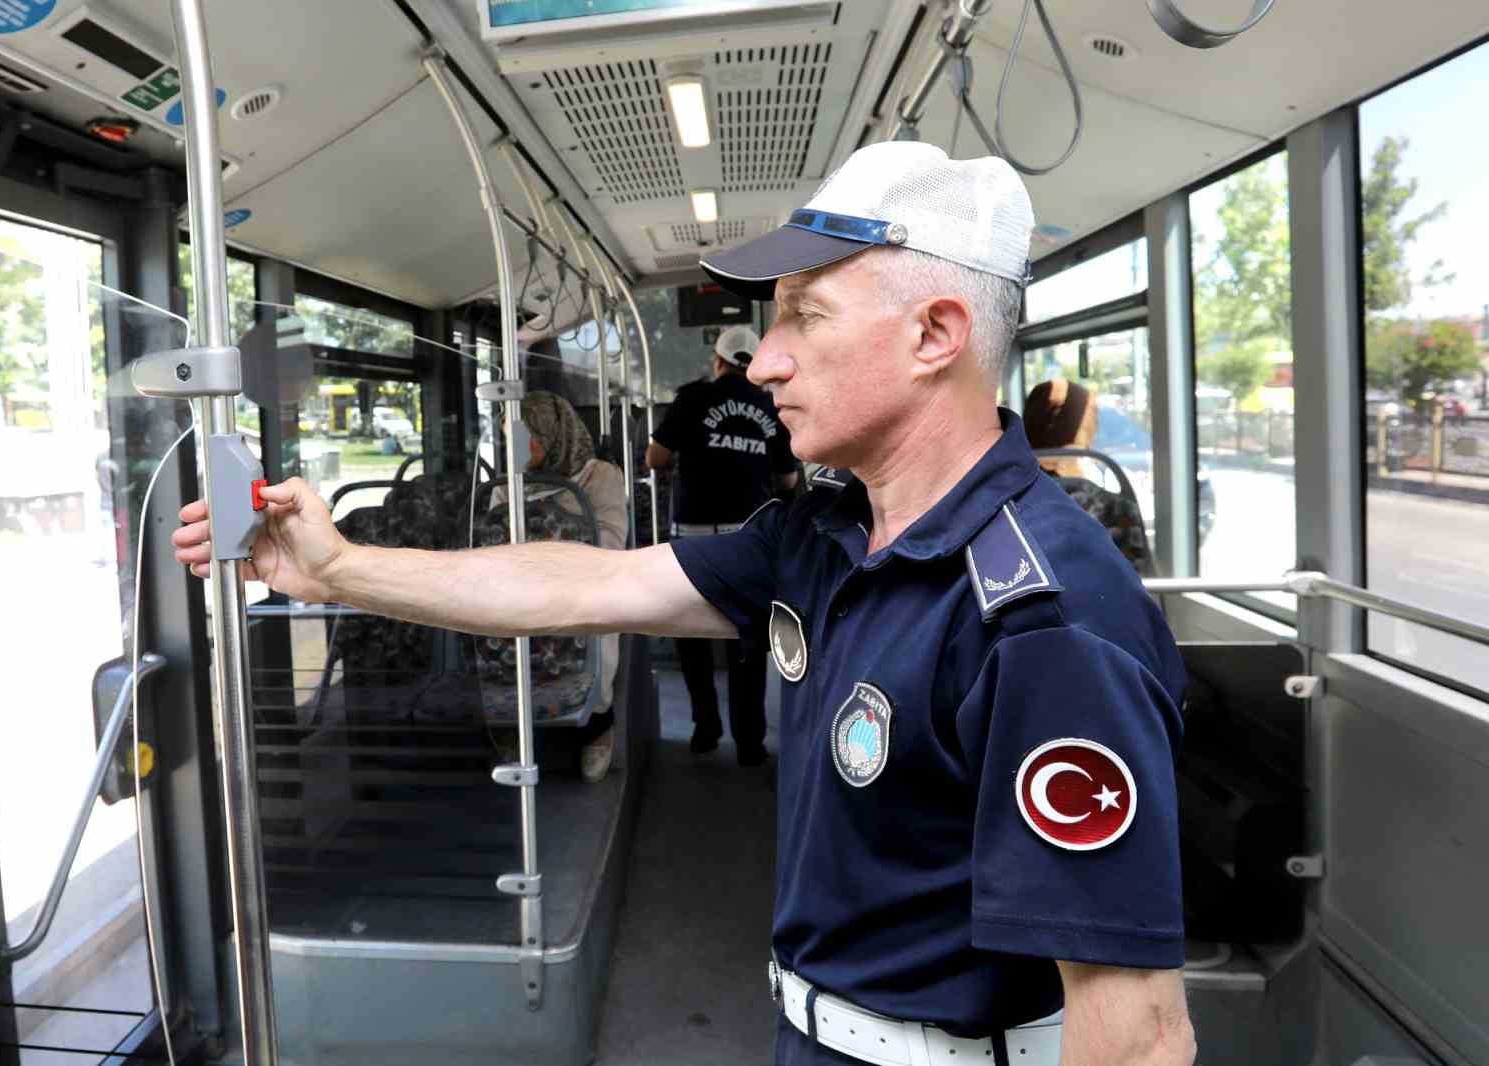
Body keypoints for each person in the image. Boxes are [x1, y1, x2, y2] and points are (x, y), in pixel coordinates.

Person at [175, 141, 1195, 1066]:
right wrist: (340, 568)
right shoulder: (828, 528)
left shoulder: (1044, 619)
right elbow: (590, 580)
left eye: (803, 312)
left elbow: (1137, 1033)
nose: (764, 359)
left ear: (935, 333)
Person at [645, 324, 800, 766]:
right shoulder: (770, 405)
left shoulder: (691, 398)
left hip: (692, 538)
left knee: (690, 637)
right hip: (748, 539)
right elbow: (788, 480)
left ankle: (704, 729)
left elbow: (656, 458)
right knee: (747, 643)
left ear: (717, 361)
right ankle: (749, 743)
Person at [496, 391, 627, 782]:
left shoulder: (601, 476)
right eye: (509, 439)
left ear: (553, 435)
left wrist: (545, 540)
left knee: (593, 630)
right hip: (522, 586)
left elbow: (610, 540)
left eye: (524, 438)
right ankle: (514, 723)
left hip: (584, 587)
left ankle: (597, 726)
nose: (515, 449)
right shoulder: (507, 485)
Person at [1023, 379, 1152, 572]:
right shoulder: (1106, 502)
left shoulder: (1009, 482)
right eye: (1092, 413)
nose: (1096, 424)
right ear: (1072, 420)